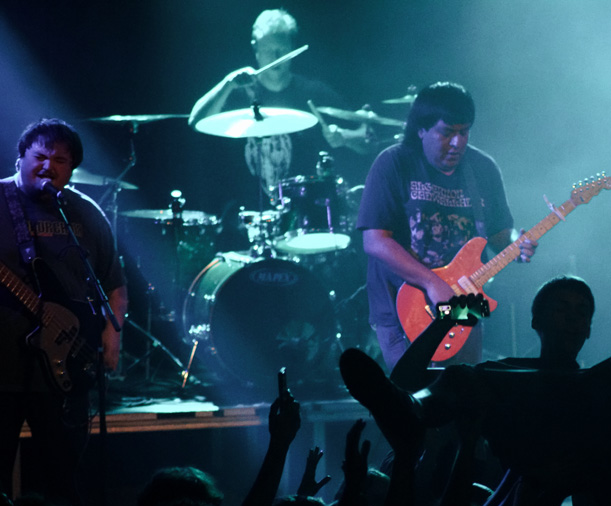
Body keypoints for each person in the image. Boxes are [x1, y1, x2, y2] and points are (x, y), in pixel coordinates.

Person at [357, 81, 537, 370]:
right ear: (421, 130)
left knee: (463, 400)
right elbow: (375, 241)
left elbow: (500, 233)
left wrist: (519, 242)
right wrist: (432, 282)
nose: (458, 143)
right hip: (403, 306)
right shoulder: (393, 163)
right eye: (447, 132)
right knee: (412, 403)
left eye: (463, 132)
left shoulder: (483, 168)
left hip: (465, 304)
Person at [0, 118, 127, 506]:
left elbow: (114, 284)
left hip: (64, 369)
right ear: (20, 157)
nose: (48, 166)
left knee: (64, 483)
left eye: (60, 160)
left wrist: (113, 332)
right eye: (39, 155)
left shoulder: (84, 212)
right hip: (3, 367)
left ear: (71, 169)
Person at [188, 8, 363, 194]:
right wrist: (227, 83)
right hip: (245, 214)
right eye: (268, 50)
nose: (276, 57)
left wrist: (345, 137)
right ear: (255, 48)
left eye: (282, 49)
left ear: (292, 49)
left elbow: (367, 137)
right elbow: (195, 121)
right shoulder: (238, 93)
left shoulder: (314, 92)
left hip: (302, 211)